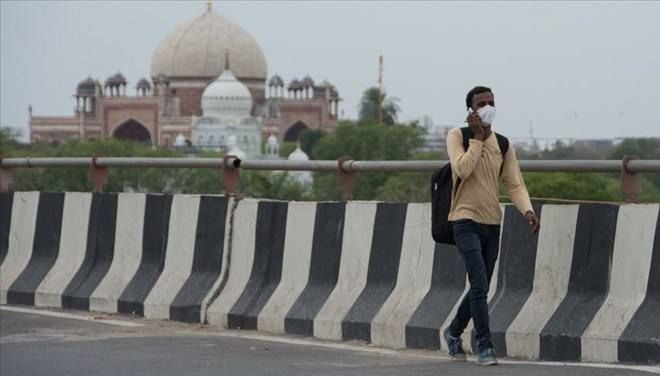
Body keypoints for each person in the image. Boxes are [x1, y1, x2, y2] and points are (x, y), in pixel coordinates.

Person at [443, 86, 539, 366]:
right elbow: (461, 169)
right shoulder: (457, 136)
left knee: (480, 286)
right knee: (480, 284)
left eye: (491, 102)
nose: (488, 106)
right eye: (481, 103)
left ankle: (453, 331)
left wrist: (527, 210)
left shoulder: (504, 144)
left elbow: (514, 183)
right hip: (464, 220)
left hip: (492, 223)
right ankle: (484, 346)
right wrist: (477, 139)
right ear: (471, 110)